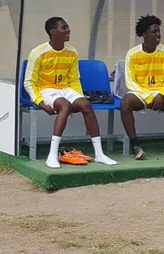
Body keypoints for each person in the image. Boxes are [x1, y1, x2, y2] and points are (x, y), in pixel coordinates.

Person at [24, 17, 117, 168]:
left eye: (68, 27)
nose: (68, 30)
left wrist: (78, 97)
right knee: (65, 106)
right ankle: (52, 155)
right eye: (64, 28)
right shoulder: (38, 53)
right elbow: (29, 82)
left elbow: (74, 79)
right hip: (46, 89)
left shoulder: (72, 51)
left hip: (65, 89)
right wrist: (40, 102)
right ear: (53, 32)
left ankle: (99, 154)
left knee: (86, 105)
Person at [119, 15, 164, 161]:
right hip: (141, 92)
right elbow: (130, 82)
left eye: (158, 31)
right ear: (144, 35)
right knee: (125, 103)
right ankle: (135, 146)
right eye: (154, 32)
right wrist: (150, 96)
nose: (158, 35)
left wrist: (161, 94)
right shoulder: (132, 54)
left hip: (161, 92)